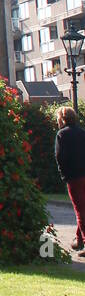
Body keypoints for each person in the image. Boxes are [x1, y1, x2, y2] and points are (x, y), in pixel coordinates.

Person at [54, 105, 85, 255]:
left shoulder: (62, 134)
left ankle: (84, 241)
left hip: (74, 176)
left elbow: (60, 157)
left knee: (80, 210)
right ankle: (78, 239)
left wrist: (63, 174)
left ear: (62, 119)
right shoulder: (82, 132)